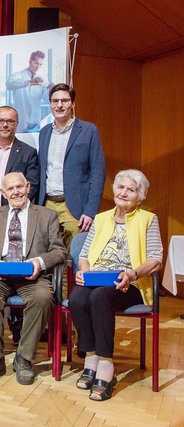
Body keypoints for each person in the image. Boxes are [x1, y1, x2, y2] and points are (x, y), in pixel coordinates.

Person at [69, 169, 162, 401]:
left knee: (100, 297)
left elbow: (155, 259)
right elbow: (85, 254)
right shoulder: (101, 219)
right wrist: (83, 271)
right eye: (120, 187)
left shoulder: (148, 219)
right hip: (96, 278)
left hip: (129, 284)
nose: (124, 193)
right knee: (77, 298)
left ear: (139, 196)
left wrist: (132, 274)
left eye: (131, 190)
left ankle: (106, 365)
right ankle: (90, 355)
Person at [0, 172, 65, 386]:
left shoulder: (47, 215)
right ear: (3, 193)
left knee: (42, 297)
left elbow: (59, 251)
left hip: (31, 275)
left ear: (28, 186)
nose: (16, 192)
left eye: (19, 187)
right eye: (10, 189)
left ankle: (24, 358)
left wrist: (39, 262)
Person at [38, 83, 106, 250]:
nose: (59, 105)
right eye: (55, 101)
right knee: (49, 258)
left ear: (73, 103)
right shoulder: (44, 131)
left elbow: (98, 173)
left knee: (75, 259)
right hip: (47, 205)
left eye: (64, 100)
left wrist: (90, 211)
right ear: (50, 103)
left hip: (75, 208)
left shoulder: (89, 130)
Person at [6, 50, 54, 133]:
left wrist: (51, 89)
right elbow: (9, 85)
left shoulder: (42, 79)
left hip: (35, 121)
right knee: (19, 144)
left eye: (40, 64)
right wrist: (30, 82)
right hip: (21, 120)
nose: (38, 67)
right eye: (36, 63)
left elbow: (46, 99)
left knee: (33, 144)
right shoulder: (18, 75)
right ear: (30, 61)